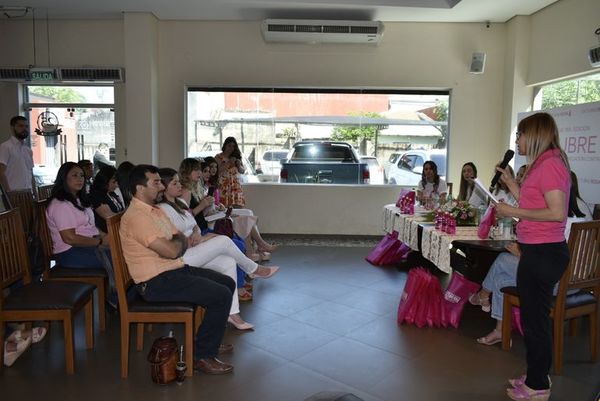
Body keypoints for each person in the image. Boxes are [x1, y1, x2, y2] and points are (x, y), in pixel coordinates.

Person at [119, 164, 235, 375]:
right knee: (221, 295)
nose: (161, 187)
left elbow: (179, 237)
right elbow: (172, 250)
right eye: (155, 183)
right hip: (154, 282)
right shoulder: (138, 217)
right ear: (139, 188)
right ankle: (202, 356)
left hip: (172, 270)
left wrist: (177, 243)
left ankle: (209, 340)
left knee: (227, 282)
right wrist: (177, 244)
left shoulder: (155, 210)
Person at [494, 112, 571, 401]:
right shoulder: (543, 163)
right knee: (533, 319)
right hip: (537, 250)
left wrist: (512, 211)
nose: (517, 140)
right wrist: (512, 183)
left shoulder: (550, 164)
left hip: (544, 252)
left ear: (535, 135)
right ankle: (537, 374)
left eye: (520, 135)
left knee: (535, 322)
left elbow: (555, 212)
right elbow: (533, 199)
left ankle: (538, 387)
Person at [469, 171, 592, 349]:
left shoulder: (561, 214)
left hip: (558, 279)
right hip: (579, 279)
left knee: (503, 259)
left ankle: (483, 294)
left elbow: (554, 257)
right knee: (502, 279)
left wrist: (522, 255)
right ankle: (499, 331)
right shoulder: (582, 206)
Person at [156, 168, 279, 330]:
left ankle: (233, 314)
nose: (180, 185)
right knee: (223, 241)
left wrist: (197, 234)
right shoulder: (161, 209)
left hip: (194, 248)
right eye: (175, 183)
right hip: (180, 256)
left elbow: (194, 226)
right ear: (164, 187)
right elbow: (171, 239)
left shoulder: (181, 203)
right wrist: (198, 238)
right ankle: (253, 268)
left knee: (228, 261)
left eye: (179, 181)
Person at [45, 162, 117, 307]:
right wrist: (100, 242)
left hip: (87, 245)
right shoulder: (61, 204)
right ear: (64, 178)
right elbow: (70, 238)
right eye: (74, 175)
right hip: (70, 253)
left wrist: (104, 236)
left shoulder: (78, 199)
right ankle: (117, 299)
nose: (80, 179)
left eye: (82, 176)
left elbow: (91, 227)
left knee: (125, 250)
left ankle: (120, 297)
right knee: (117, 258)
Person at [0, 116, 34, 192]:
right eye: (21, 126)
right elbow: (1, 172)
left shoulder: (28, 150)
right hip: (13, 194)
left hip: (28, 193)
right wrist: (8, 191)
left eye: (26, 126)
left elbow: (31, 173)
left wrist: (34, 192)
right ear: (12, 128)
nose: (24, 129)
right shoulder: (5, 147)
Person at [89, 165, 125, 234]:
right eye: (114, 182)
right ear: (104, 181)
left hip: (118, 231)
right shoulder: (97, 196)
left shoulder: (111, 193)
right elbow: (110, 218)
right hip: (107, 235)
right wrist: (125, 213)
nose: (117, 185)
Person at [215, 137, 246, 208]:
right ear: (225, 145)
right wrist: (229, 162)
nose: (231, 148)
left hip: (235, 186)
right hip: (223, 186)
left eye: (233, 146)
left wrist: (238, 165)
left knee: (237, 210)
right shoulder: (218, 157)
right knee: (224, 209)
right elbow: (217, 171)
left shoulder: (236, 156)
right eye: (229, 145)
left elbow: (242, 171)